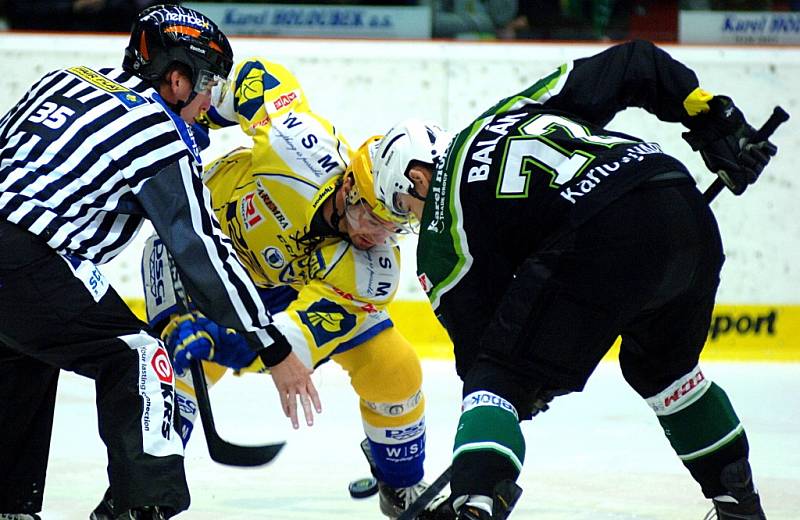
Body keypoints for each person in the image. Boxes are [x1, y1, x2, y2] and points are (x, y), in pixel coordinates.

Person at [371, 40, 777, 519]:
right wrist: (712, 121)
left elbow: (483, 352)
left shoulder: (441, 229)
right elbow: (635, 62)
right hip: (678, 200)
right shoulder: (512, 111)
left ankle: (474, 504)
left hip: (603, 233)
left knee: (493, 381)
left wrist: (519, 394)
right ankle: (739, 503)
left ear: (418, 177)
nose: (412, 218)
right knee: (665, 372)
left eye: (402, 204)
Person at [0, 5, 315, 520]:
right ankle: (140, 505)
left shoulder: (62, 80)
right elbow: (203, 253)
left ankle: (10, 506)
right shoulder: (158, 131)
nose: (210, 101)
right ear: (177, 78)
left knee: (24, 353)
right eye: (209, 82)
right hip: (31, 257)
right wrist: (271, 346)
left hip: (20, 265)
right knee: (142, 357)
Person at [140, 57, 445, 519]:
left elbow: (289, 341)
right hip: (199, 252)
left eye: (395, 228)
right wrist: (191, 121)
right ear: (359, 185)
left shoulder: (372, 272)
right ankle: (142, 490)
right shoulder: (293, 142)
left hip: (280, 295)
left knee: (394, 366)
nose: (378, 237)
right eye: (378, 217)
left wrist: (224, 343)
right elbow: (250, 78)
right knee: (173, 373)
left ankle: (401, 485)